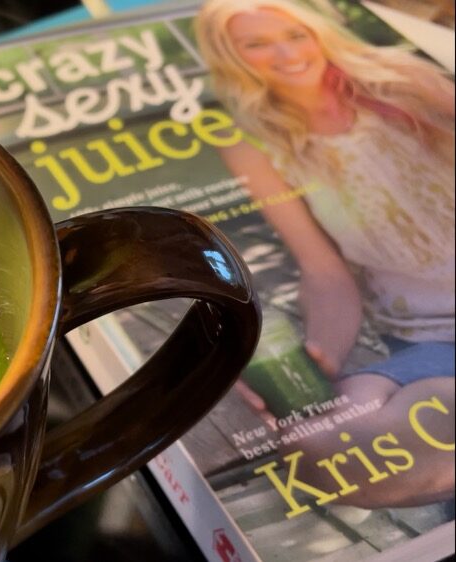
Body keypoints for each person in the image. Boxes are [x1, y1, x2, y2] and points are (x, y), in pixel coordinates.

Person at [195, 0, 455, 508]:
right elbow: (323, 271)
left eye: (293, 34)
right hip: (428, 337)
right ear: (234, 59)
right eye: (257, 43)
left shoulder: (401, 80)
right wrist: (318, 364)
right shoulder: (253, 143)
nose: (285, 53)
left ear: (316, 32)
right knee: (318, 447)